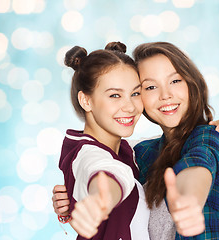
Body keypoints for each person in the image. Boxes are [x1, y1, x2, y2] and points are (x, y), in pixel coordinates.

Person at [53, 42, 219, 239]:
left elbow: (198, 166)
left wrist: (189, 200)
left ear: (192, 82)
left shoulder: (208, 138)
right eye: (150, 87)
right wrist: (82, 200)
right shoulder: (141, 152)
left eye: (175, 81)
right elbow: (103, 171)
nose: (166, 95)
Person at [59, 42, 150, 240]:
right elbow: (103, 173)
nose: (130, 107)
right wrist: (99, 201)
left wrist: (208, 130)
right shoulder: (88, 155)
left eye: (135, 93)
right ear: (86, 101)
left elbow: (164, 141)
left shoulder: (124, 149)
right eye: (115, 95)